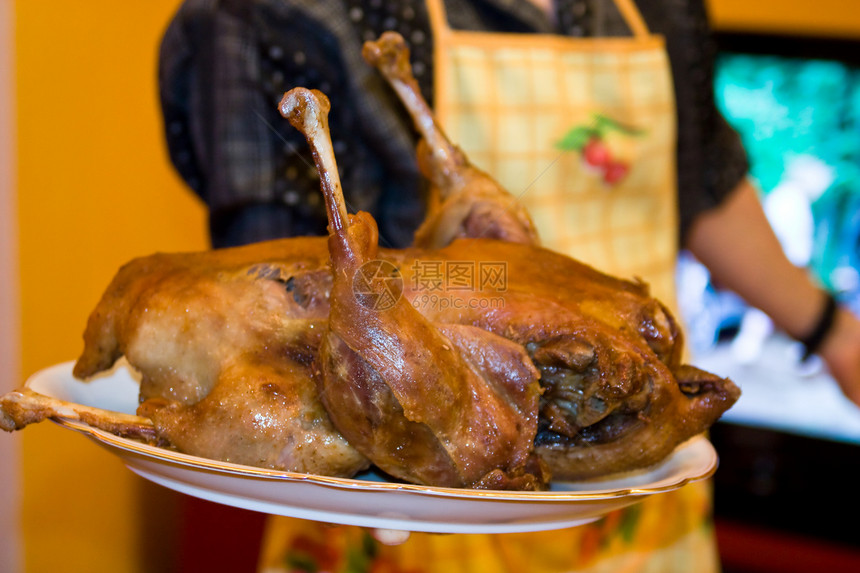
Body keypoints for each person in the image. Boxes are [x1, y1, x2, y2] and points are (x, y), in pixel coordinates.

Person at [158, 1, 860, 571]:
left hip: (635, 500)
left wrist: (832, 331)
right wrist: (370, 467)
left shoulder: (664, 10)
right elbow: (277, 286)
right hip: (395, 507)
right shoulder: (301, 13)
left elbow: (702, 185)